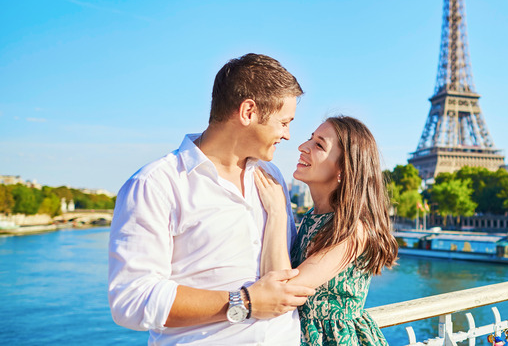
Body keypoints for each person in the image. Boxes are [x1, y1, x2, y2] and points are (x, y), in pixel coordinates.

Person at [108, 53, 315, 345]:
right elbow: (131, 300)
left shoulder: (272, 177)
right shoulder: (155, 185)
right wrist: (244, 302)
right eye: (283, 122)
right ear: (248, 112)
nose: (288, 135)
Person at [254, 115, 399, 345]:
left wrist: (277, 213)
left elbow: (283, 292)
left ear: (343, 169)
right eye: (310, 139)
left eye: (319, 145)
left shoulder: (354, 231)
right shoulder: (314, 217)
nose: (303, 147)